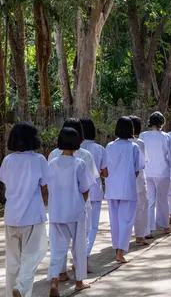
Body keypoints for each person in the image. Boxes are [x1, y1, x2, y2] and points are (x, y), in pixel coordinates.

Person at [0, 122, 52, 297]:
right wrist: (44, 205)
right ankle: (20, 289)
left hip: (11, 215)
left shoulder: (8, 160)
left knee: (13, 260)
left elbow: (6, 186)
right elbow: (45, 188)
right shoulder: (39, 160)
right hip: (32, 215)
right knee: (34, 255)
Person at [49, 119, 99, 278]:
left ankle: (58, 275)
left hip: (57, 208)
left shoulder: (52, 157)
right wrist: (80, 203)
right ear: (80, 138)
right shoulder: (83, 157)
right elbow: (88, 185)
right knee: (79, 242)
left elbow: (47, 185)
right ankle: (79, 275)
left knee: (57, 244)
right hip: (79, 208)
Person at [105, 117, 145, 264]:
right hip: (127, 188)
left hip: (112, 188)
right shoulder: (134, 147)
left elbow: (105, 167)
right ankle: (120, 252)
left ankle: (117, 249)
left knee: (114, 221)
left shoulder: (109, 146)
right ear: (131, 130)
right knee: (126, 221)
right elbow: (137, 169)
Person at [79, 118, 108, 271]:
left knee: (79, 228)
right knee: (92, 227)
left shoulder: (74, 149)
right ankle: (83, 257)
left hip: (77, 193)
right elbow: (105, 172)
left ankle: (79, 257)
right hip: (94, 191)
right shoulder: (99, 149)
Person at [140, 112, 171, 236]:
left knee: (149, 201)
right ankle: (165, 226)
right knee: (163, 200)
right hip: (163, 171)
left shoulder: (143, 136)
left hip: (147, 171)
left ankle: (147, 229)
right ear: (162, 123)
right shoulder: (166, 137)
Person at [130, 116, 150, 245]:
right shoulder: (139, 143)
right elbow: (144, 162)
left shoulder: (113, 145)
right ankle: (140, 235)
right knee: (141, 207)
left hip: (122, 183)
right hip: (138, 180)